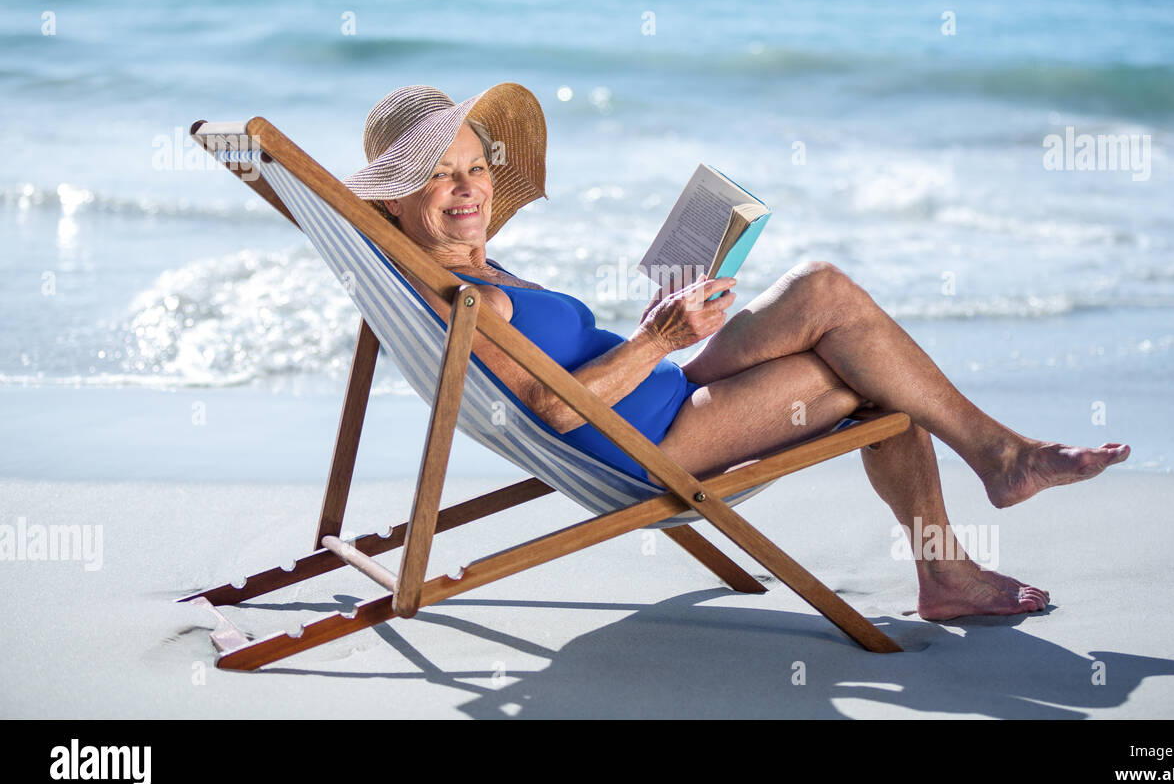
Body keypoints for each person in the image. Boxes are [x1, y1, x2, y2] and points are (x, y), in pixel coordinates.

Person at [343, 83, 1130, 621]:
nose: (467, 188)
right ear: (396, 197)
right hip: (652, 445)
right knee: (870, 372)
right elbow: (552, 408)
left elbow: (561, 378)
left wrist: (664, 328)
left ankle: (986, 489)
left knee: (822, 288)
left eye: (475, 167)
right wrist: (659, 337)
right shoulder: (465, 298)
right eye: (438, 178)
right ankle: (979, 507)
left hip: (661, 395)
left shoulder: (465, 272)